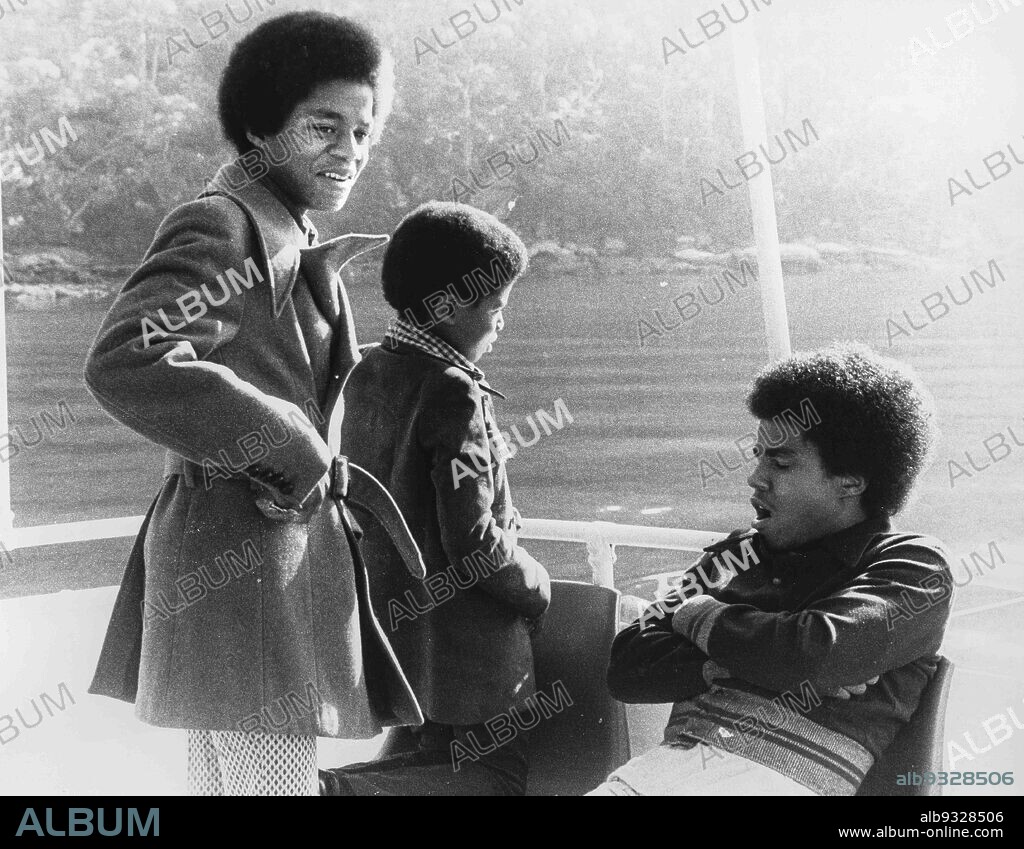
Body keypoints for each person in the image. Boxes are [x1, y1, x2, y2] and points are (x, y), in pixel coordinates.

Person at [83, 12, 424, 796]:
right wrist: (291, 444)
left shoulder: (289, 235)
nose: (350, 152)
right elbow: (126, 356)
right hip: (246, 577)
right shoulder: (224, 223)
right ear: (261, 124)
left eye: (364, 131)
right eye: (323, 127)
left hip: (260, 576)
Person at [590, 345, 952, 796]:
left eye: (780, 463)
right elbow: (627, 664)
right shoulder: (737, 554)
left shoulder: (911, 567)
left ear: (852, 482)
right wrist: (751, 662)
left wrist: (697, 614)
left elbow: (817, 653)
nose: (755, 478)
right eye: (759, 455)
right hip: (660, 775)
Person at [320, 202, 552, 796]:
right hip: (467, 646)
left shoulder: (367, 368)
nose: (502, 322)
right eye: (496, 306)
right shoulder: (454, 391)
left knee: (429, 762)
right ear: (449, 307)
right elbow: (473, 542)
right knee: (495, 775)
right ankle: (323, 791)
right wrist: (536, 586)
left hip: (398, 633)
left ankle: (311, 785)